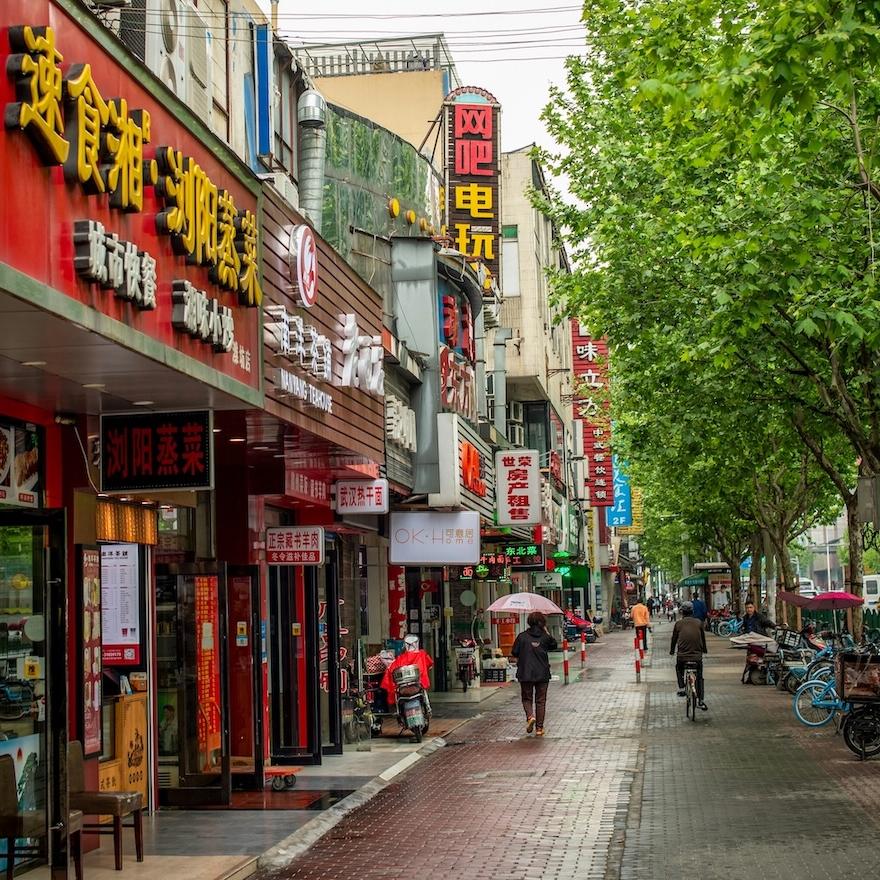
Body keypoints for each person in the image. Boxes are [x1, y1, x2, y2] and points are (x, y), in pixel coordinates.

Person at [510, 611, 558, 737]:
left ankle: (530, 716)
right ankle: (539, 729)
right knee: (541, 701)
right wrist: (546, 632)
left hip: (525, 672)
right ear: (542, 623)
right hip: (542, 673)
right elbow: (554, 645)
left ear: (529, 622)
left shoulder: (522, 636)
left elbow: (514, 652)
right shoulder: (545, 637)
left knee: (527, 698)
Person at [670, 601, 708, 710]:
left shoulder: (678, 624)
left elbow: (674, 639)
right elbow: (703, 639)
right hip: (697, 656)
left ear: (682, 612)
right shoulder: (699, 622)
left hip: (682, 657)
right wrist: (704, 650)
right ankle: (700, 700)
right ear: (692, 611)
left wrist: (672, 651)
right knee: (699, 677)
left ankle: (682, 687)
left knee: (678, 668)